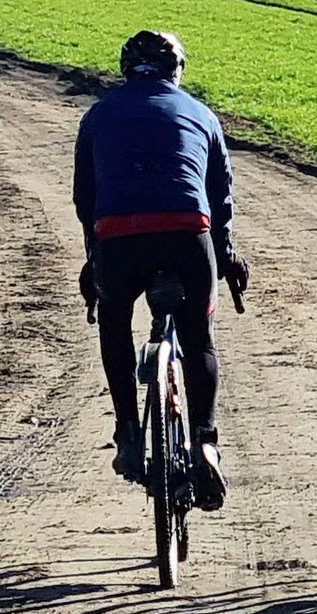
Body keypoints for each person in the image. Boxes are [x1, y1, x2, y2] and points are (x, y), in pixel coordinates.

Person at [74, 29, 248, 510]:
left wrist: (94, 258)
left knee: (113, 323)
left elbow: (86, 197)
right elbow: (220, 198)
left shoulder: (98, 114)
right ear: (177, 71)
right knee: (199, 338)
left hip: (119, 237)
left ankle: (128, 434)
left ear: (126, 70)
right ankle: (206, 440)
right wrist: (226, 254)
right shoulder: (202, 114)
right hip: (187, 232)